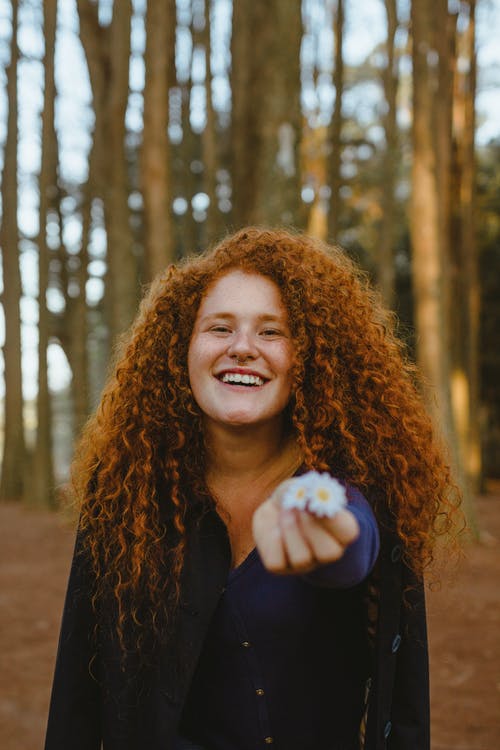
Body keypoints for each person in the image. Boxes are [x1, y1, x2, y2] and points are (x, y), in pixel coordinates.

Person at [45, 227, 460, 750]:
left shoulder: (356, 485)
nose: (243, 348)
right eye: (220, 328)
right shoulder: (126, 492)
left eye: (272, 332)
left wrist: (325, 533)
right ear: (182, 348)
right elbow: (76, 699)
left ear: (309, 356)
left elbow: (354, 551)